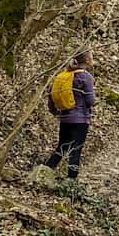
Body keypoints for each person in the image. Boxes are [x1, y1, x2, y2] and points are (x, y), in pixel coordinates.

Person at [44, 51, 97, 180]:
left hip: (65, 118)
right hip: (81, 119)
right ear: (87, 61)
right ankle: (71, 180)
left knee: (62, 146)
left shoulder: (63, 75)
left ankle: (45, 171)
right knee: (76, 149)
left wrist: (56, 112)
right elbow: (90, 101)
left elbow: (51, 95)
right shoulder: (86, 77)